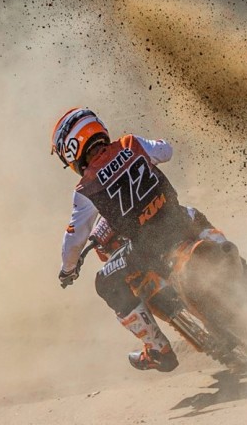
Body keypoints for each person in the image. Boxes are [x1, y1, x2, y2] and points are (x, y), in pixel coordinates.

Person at [51, 107, 212, 372]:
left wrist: (68, 269)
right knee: (195, 215)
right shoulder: (130, 143)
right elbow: (166, 151)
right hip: (178, 222)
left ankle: (158, 349)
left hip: (147, 247)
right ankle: (244, 269)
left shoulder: (85, 188)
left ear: (71, 151)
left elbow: (74, 239)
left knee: (105, 282)